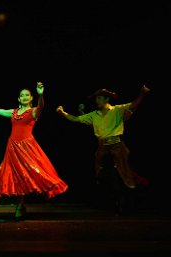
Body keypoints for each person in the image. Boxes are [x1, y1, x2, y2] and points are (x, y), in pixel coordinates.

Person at [0, 82, 68, 220]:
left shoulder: (34, 111)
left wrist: (41, 95)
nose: (24, 97)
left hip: (27, 147)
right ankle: (20, 205)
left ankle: (21, 205)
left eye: (27, 95)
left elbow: (41, 106)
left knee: (34, 173)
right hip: (13, 147)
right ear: (19, 99)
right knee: (17, 177)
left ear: (31, 98)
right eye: (21, 95)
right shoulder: (14, 112)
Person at [56, 85, 150, 213]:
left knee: (124, 173)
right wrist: (63, 113)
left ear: (106, 99)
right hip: (102, 147)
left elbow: (133, 105)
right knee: (100, 172)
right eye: (96, 99)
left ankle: (129, 199)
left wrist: (142, 94)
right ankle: (109, 201)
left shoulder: (117, 110)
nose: (96, 101)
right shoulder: (94, 115)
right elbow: (76, 119)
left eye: (99, 98)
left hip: (117, 145)